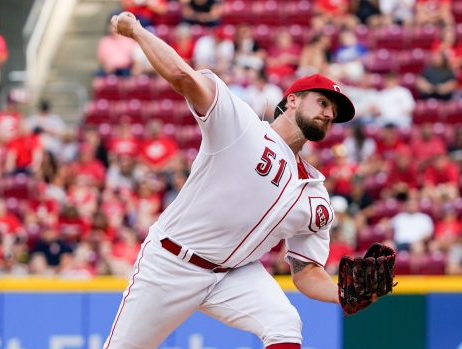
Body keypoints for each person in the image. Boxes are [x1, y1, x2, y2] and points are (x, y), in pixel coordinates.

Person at [105, 11, 358, 349]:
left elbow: (307, 272)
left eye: (334, 113)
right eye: (323, 102)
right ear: (293, 100)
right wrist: (136, 30)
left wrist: (343, 293)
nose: (329, 114)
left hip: (233, 274)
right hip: (170, 263)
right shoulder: (241, 126)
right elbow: (182, 76)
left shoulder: (315, 196)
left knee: (284, 323)